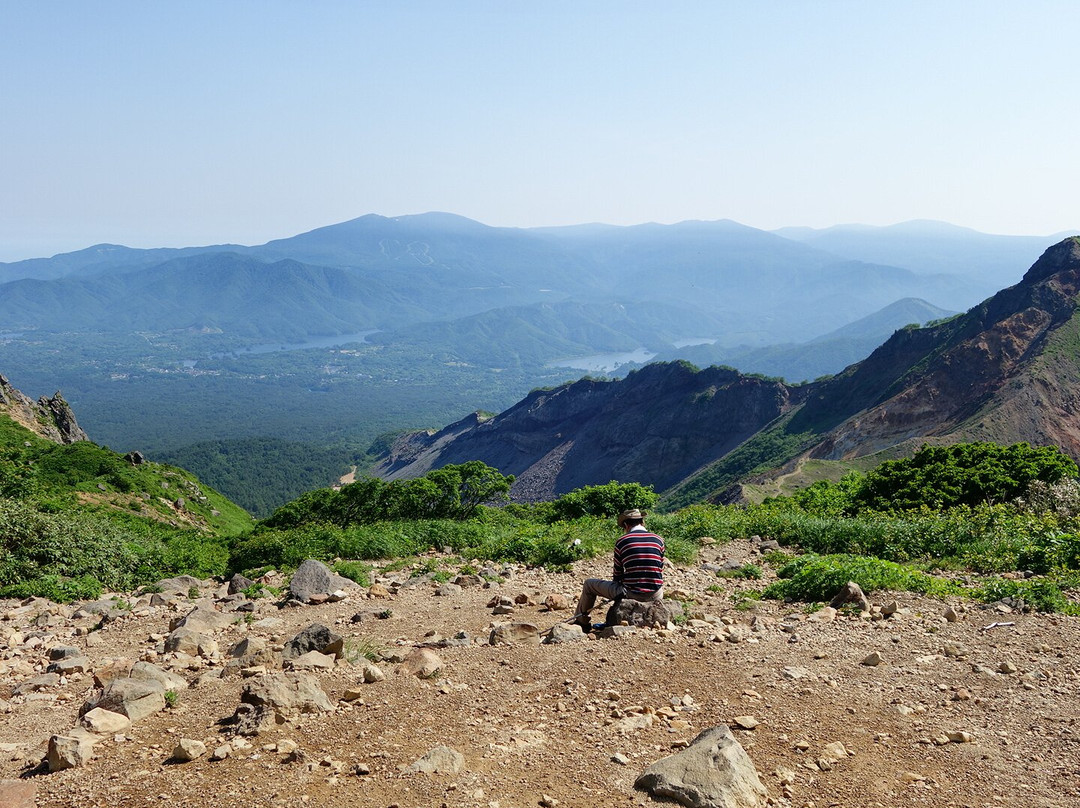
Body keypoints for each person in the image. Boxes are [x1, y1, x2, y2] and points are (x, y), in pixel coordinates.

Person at [572, 508, 664, 629]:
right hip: (656, 594)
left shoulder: (622, 541)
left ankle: (582, 622)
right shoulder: (659, 540)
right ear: (642, 522)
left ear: (626, 525)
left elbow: (618, 574)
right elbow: (659, 569)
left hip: (631, 593)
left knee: (589, 585)